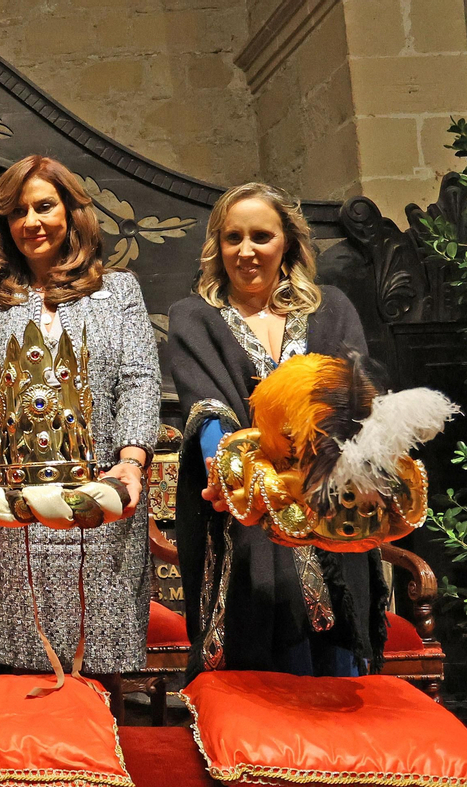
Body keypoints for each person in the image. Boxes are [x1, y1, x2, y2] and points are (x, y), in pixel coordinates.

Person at [0, 155, 160, 703]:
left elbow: (140, 380)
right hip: (17, 508)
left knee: (102, 670)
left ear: (70, 212)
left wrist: (132, 462)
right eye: (17, 212)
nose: (32, 222)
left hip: (104, 499)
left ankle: (103, 753)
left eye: (44, 206)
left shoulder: (119, 291)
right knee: (22, 679)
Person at [166, 182, 389, 677]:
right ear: (217, 245)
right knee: (262, 660)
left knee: (338, 666)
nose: (246, 251)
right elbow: (208, 410)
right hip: (245, 509)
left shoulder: (332, 309)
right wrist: (232, 475)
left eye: (261, 237)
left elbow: (357, 397)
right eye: (233, 238)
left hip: (330, 499)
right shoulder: (194, 317)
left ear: (287, 241)